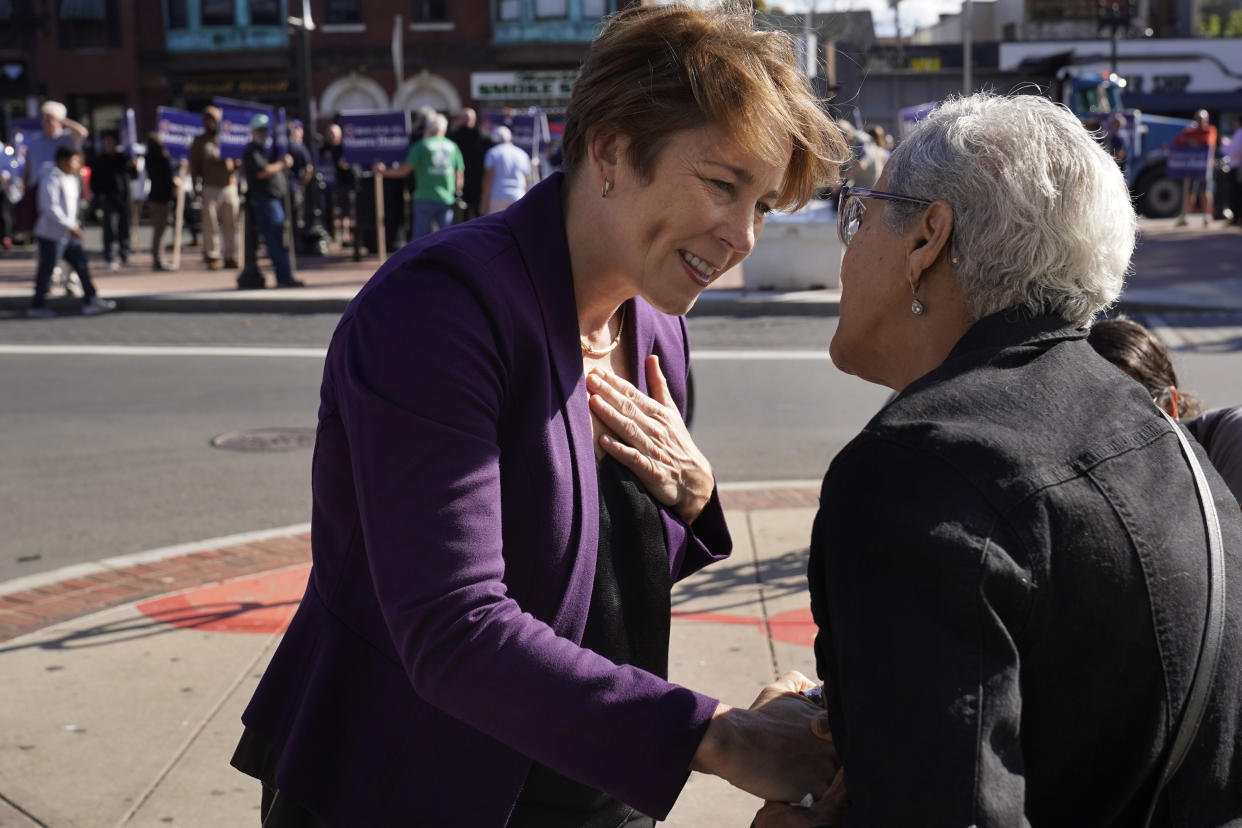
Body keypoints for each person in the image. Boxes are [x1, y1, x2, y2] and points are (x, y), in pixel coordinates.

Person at [230, 5, 849, 826]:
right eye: (722, 184)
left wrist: (696, 497)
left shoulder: (657, 315)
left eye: (765, 204)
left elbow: (590, 575)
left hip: (589, 781)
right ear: (611, 148)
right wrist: (722, 739)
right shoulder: (443, 310)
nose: (741, 235)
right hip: (411, 783)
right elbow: (453, 629)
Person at [760, 93, 1242, 827]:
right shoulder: (1168, 441)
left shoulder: (917, 471)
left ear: (928, 238)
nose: (846, 248)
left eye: (858, 215)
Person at [1088, 315, 1242, 508]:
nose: (1108, 433)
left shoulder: (1232, 437)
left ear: (1170, 406)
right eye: (1089, 414)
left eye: (1126, 412)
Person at [27, 146, 116, 318]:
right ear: (63, 161)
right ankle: (37, 305)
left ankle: (91, 299)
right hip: (52, 234)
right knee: (47, 269)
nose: (77, 164)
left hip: (68, 233)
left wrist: (72, 226)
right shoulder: (51, 177)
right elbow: (49, 207)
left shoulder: (71, 178)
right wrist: (70, 226)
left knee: (81, 266)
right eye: (75, 160)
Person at [376, 112, 463, 239]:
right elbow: (459, 175)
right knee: (448, 238)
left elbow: (404, 171)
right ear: (444, 128)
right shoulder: (453, 147)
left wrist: (383, 172)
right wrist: (457, 193)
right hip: (446, 198)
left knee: (420, 238)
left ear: (428, 129)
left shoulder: (421, 146)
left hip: (424, 197)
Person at [241, 114, 302, 288]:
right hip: (265, 201)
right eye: (260, 130)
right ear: (253, 131)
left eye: (265, 130)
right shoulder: (252, 150)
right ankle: (284, 277)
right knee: (275, 239)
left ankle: (285, 275)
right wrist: (282, 164)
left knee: (280, 238)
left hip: (273, 199)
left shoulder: (265, 150)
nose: (263, 133)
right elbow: (263, 172)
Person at [189, 105, 240, 269]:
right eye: (207, 119)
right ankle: (213, 256)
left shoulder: (228, 138)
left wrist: (233, 162)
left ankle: (230, 255)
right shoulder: (199, 141)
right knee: (210, 224)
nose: (210, 123)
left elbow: (241, 161)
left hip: (229, 186)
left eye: (213, 119)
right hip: (210, 186)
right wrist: (196, 186)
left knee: (231, 223)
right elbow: (194, 165)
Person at [91, 129, 137, 269]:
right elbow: (94, 181)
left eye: (110, 142)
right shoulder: (100, 160)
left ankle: (125, 255)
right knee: (109, 228)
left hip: (124, 198)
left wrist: (134, 166)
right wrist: (99, 194)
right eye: (106, 142)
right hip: (109, 198)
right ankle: (109, 256)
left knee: (125, 227)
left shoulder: (123, 158)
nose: (108, 144)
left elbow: (133, 176)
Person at [1174, 108, 1217, 228]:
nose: (1199, 121)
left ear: (1206, 120)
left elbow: (1208, 141)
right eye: (1197, 119)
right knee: (1189, 192)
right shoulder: (1189, 131)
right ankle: (1184, 216)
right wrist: (1189, 139)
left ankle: (1207, 216)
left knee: (1205, 192)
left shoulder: (1210, 130)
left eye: (1201, 119)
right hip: (1191, 167)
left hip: (1205, 167)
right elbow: (1178, 140)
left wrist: (1192, 140)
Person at [450, 106, 492, 221]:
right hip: (475, 180)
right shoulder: (483, 134)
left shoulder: (454, 136)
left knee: (465, 216)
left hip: (463, 180)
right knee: (478, 216)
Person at [144, 132, 177, 272]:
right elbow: (168, 177)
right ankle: (158, 259)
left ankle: (157, 257)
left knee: (158, 229)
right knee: (160, 229)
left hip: (153, 196)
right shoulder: (162, 158)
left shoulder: (148, 158)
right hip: (161, 197)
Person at [481, 125, 531, 215]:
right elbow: (527, 179)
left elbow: (488, 177)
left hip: (497, 196)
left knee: (495, 227)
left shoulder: (493, 152)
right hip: (518, 195)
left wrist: (484, 201)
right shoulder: (522, 154)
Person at [319, 123, 354, 243]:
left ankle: (346, 235)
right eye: (329, 134)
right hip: (329, 184)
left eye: (333, 134)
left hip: (345, 183)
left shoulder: (344, 147)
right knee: (329, 210)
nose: (331, 136)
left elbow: (347, 164)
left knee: (346, 211)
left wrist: (345, 164)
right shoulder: (325, 148)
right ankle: (332, 234)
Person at [285, 119, 314, 237]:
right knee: (295, 217)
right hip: (294, 187)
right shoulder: (298, 147)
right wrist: (303, 185)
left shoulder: (284, 146)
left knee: (290, 216)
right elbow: (309, 169)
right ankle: (294, 243)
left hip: (288, 186)